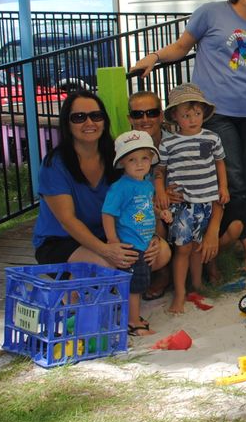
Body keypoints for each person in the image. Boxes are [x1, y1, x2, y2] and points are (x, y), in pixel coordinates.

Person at [131, 0, 246, 274]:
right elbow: (182, 47)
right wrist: (154, 58)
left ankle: (230, 240)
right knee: (235, 178)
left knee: (242, 180)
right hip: (216, 112)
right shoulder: (211, 13)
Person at [32, 91, 170, 275]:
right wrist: (106, 250)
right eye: (79, 117)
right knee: (109, 266)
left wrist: (148, 236)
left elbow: (138, 202)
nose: (89, 123)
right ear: (67, 123)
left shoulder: (117, 156)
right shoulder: (55, 164)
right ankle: (80, 289)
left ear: (104, 120)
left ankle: (97, 287)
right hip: (62, 240)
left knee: (161, 252)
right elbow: (68, 221)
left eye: (96, 116)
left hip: (109, 233)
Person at [154, 84, 228, 314]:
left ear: (204, 113)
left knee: (197, 246)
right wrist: (160, 191)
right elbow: (160, 171)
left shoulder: (212, 138)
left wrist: (223, 187)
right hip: (183, 203)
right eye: (186, 115)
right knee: (183, 249)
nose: (193, 119)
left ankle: (196, 286)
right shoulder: (168, 143)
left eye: (197, 114)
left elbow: (219, 163)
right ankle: (179, 294)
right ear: (175, 116)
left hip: (206, 200)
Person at [102, 131, 168, 337]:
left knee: (140, 280)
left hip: (144, 243)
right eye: (132, 159)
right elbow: (108, 213)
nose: (139, 164)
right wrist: (113, 240)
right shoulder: (121, 187)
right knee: (134, 285)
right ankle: (132, 321)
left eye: (144, 158)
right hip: (130, 245)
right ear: (122, 162)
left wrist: (160, 213)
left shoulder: (146, 185)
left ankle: (131, 315)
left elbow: (146, 209)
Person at [127, 90, 176, 301]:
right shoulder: (125, 147)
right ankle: (160, 272)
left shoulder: (176, 143)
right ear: (130, 119)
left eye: (151, 112)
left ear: (161, 115)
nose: (145, 119)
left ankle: (165, 273)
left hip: (176, 201)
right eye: (138, 114)